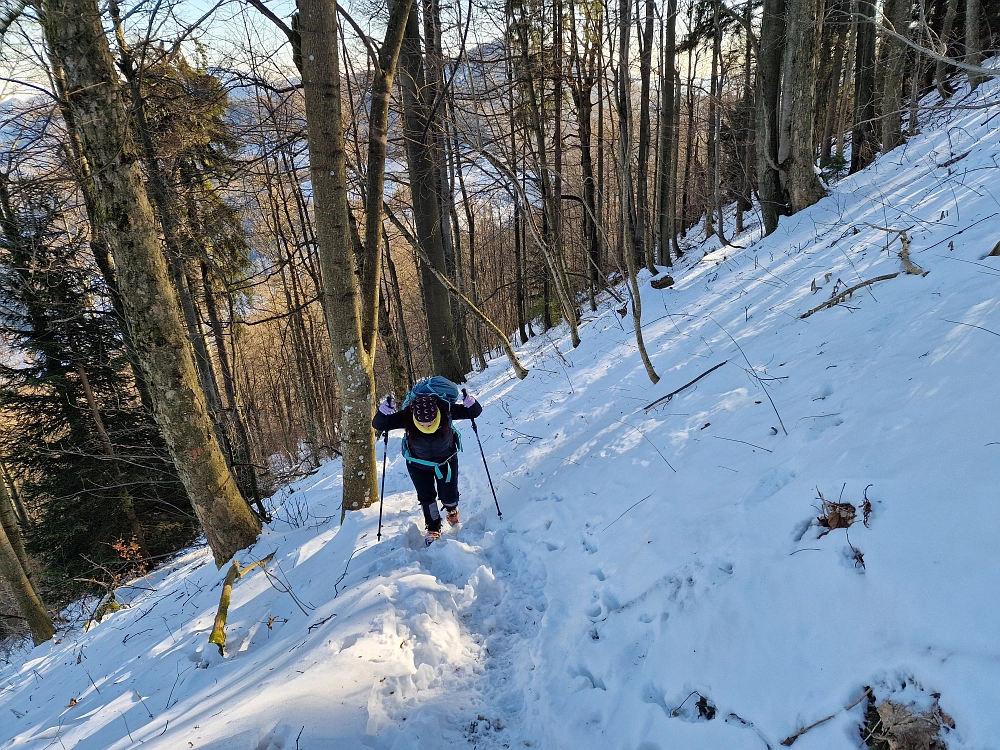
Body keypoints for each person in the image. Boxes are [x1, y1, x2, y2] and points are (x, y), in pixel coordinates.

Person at [372, 384, 482, 545]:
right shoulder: (408, 415)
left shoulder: (446, 409)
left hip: (447, 461)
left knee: (449, 496)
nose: (426, 426)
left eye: (430, 423)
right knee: (427, 497)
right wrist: (383, 412)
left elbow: (474, 412)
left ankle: (451, 509)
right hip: (417, 463)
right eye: (422, 424)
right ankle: (433, 527)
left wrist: (470, 402)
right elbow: (380, 424)